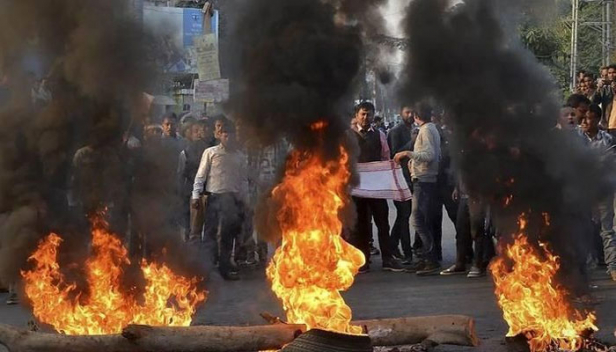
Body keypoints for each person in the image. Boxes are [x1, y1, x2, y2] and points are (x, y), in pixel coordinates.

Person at [350, 102, 404, 273]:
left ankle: (387, 259)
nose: (366, 118)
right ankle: (363, 261)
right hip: (357, 189)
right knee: (360, 225)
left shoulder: (380, 135)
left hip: (377, 187)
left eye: (369, 115)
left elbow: (386, 158)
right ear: (357, 115)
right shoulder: (348, 136)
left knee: (382, 223)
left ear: (374, 116)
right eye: (363, 114)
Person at [192, 120, 249, 281]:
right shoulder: (210, 153)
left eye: (231, 135)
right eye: (225, 135)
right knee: (209, 233)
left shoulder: (240, 156)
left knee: (227, 236)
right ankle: (207, 270)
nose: (228, 138)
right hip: (214, 198)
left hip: (232, 199)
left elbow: (243, 180)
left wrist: (245, 200)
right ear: (220, 136)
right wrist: (195, 196)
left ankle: (224, 269)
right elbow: (201, 176)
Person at [394, 102, 442, 276]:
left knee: (417, 220)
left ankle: (431, 259)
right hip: (422, 179)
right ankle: (426, 258)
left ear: (416, 116)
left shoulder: (427, 130)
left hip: (424, 181)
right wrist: (413, 163)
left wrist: (408, 154)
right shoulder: (430, 129)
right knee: (422, 219)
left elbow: (429, 156)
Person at [579, 104, 616, 281]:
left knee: (606, 230)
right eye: (583, 118)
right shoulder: (577, 138)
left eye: (590, 118)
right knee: (583, 229)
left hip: (603, 188)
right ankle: (586, 268)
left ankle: (612, 267)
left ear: (597, 119)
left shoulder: (607, 139)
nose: (585, 121)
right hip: (583, 190)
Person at [387, 105, 417, 263]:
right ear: (401, 113)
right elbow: (393, 155)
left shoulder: (413, 129)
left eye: (412, 112)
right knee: (404, 215)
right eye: (407, 112)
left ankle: (393, 244)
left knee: (404, 215)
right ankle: (406, 252)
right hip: (399, 179)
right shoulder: (395, 131)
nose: (410, 115)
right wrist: (410, 143)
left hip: (411, 178)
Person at [178, 120, 212, 241]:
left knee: (209, 229)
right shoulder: (185, 153)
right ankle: (192, 254)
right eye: (195, 131)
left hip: (209, 193)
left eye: (200, 131)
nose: (198, 134)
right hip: (193, 194)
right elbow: (181, 175)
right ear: (190, 135)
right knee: (193, 228)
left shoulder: (211, 152)